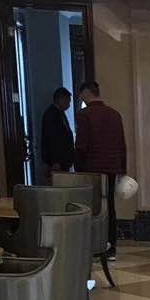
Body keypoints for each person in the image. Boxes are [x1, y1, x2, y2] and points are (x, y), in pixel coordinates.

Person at [74, 80, 127, 258]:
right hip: (111, 168)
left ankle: (93, 246)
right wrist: (122, 169)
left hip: (91, 170)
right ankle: (110, 247)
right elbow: (122, 144)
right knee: (109, 207)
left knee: (90, 208)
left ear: (85, 93)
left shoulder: (84, 115)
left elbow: (81, 145)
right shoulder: (115, 115)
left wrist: (78, 169)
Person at [40, 87, 74, 179]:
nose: (69, 105)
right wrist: (55, 161)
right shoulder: (50, 115)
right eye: (67, 101)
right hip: (56, 163)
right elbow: (52, 139)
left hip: (63, 161)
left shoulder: (60, 113)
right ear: (60, 100)